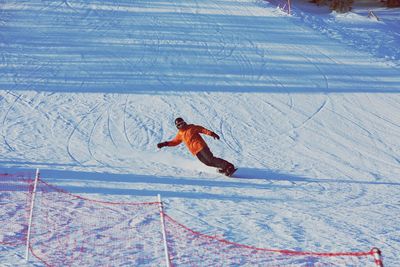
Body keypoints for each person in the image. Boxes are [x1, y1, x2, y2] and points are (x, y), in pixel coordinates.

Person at [157, 117, 236, 176]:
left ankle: (229, 166)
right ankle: (223, 168)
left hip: (201, 146)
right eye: (179, 124)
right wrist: (165, 144)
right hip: (195, 151)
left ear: (185, 122)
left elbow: (202, 129)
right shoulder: (180, 134)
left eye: (182, 123)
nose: (181, 125)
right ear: (177, 126)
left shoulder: (191, 127)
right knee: (207, 163)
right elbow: (175, 142)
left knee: (210, 158)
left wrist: (211, 133)